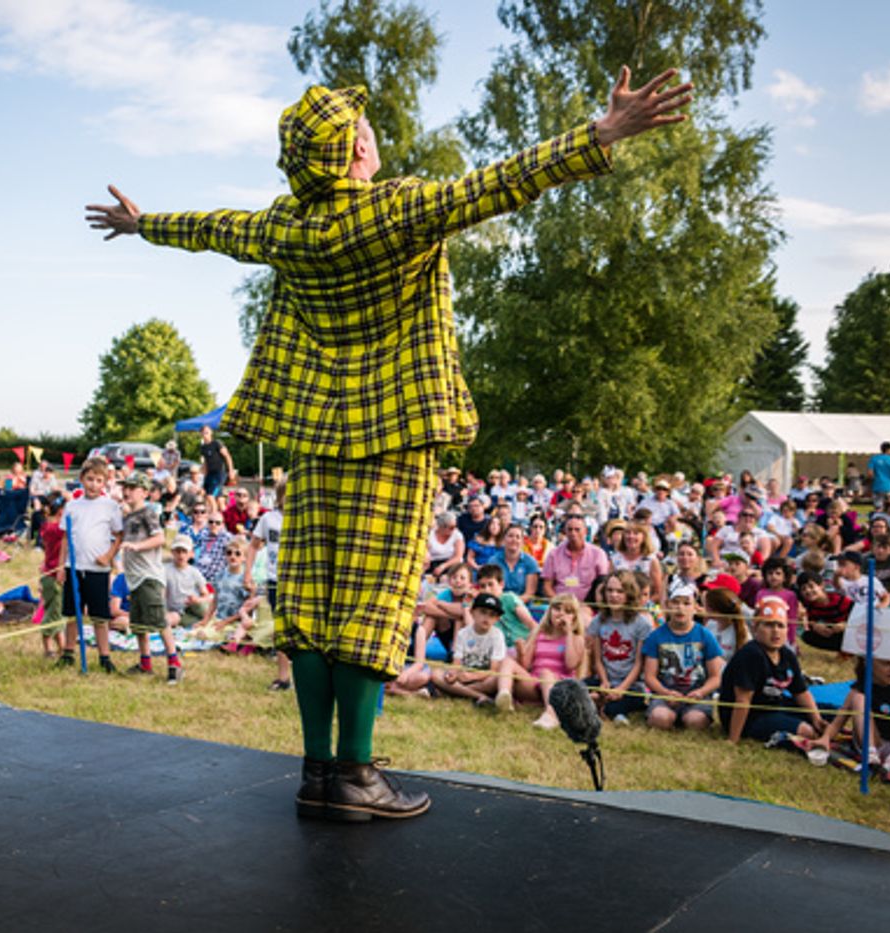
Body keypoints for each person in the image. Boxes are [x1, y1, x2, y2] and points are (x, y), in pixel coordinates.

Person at [87, 67, 693, 820]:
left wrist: (146, 225)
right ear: (354, 154)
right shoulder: (397, 210)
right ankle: (359, 775)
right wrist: (601, 135)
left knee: (309, 604)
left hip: (312, 442)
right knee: (370, 606)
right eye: (365, 139)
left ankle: (317, 771)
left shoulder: (288, 226)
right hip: (395, 439)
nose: (374, 146)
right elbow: (500, 184)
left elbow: (217, 228)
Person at [719, 596, 826, 744]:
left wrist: (817, 719)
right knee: (806, 731)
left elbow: (801, 692)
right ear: (756, 628)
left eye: (780, 626)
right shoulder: (751, 654)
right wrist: (733, 739)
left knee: (831, 714)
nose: (775, 631)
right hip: (752, 717)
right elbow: (742, 700)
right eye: (769, 625)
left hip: (776, 706)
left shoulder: (787, 654)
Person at [59, 457, 123, 673]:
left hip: (98, 569)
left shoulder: (110, 506)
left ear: (105, 482)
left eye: (98, 480)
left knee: (100, 615)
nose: (93, 484)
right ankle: (68, 652)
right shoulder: (72, 506)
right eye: (89, 479)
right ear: (81, 480)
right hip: (74, 567)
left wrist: (109, 555)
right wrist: (61, 567)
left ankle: (104, 656)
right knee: (73, 612)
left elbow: (119, 535)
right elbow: (65, 539)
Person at [118, 473, 183, 683]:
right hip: (133, 578)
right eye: (125, 487)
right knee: (138, 623)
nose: (126, 491)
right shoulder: (127, 516)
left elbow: (160, 538)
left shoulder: (148, 513)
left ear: (145, 493)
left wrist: (137, 546)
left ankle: (174, 663)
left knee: (159, 620)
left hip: (149, 576)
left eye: (132, 487)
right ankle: (145, 662)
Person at [642, 581, 725, 731]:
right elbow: (650, 677)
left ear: (695, 608)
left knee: (695, 722)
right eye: (675, 603)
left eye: (687, 603)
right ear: (667, 606)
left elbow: (715, 677)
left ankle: (688, 717)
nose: (680, 608)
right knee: (661, 719)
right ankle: (667, 716)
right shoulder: (656, 636)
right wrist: (666, 693)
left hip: (696, 695)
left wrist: (701, 692)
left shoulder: (705, 635)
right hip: (665, 694)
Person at [497, 593, 587, 729]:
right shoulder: (539, 635)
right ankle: (504, 696)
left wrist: (568, 632)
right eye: (557, 609)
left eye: (568, 611)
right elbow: (526, 665)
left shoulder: (576, 638)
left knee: (546, 673)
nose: (561, 614)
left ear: (574, 617)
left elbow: (571, 665)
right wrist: (521, 652)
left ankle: (552, 714)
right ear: (550, 611)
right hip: (535, 684)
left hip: (559, 687)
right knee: (508, 661)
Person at [586, 571, 654, 723]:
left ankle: (603, 704)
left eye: (619, 591)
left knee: (615, 708)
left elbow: (639, 664)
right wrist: (604, 682)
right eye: (610, 590)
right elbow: (598, 660)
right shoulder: (598, 621)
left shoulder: (641, 624)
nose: (613, 595)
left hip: (631, 685)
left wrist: (621, 688)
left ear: (629, 594)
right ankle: (599, 699)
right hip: (605, 679)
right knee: (575, 688)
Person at [427, 592, 508, 707]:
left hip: (484, 678)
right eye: (483, 612)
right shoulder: (463, 634)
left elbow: (494, 669)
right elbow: (457, 663)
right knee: (436, 674)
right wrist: (453, 674)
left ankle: (452, 691)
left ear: (497, 619)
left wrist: (473, 676)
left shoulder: (497, 635)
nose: (487, 618)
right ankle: (479, 696)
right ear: (472, 612)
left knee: (496, 680)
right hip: (463, 677)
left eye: (492, 615)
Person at [249, 484, 293, 691]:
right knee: (280, 628)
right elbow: (253, 545)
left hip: (299, 580)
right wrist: (248, 572)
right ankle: (283, 677)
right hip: (276, 579)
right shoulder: (268, 519)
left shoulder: (304, 517)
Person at [541, 513, 609, 601]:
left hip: (587, 605)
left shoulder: (598, 554)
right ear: (565, 531)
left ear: (585, 532)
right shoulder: (554, 554)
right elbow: (547, 586)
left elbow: (602, 585)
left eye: (577, 530)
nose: (573, 533)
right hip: (559, 604)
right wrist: (559, 603)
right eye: (570, 529)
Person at [36, 494, 67, 658]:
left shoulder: (47, 526)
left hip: (49, 574)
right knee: (53, 614)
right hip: (54, 576)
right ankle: (49, 648)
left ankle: (61, 647)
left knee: (56, 612)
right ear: (62, 511)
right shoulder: (58, 529)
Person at [197, 425, 234, 499]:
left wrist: (231, 471)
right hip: (210, 474)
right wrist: (203, 474)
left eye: (207, 432)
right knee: (207, 494)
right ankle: (221, 509)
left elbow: (227, 456)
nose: (205, 434)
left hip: (219, 473)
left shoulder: (216, 443)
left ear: (211, 432)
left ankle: (213, 510)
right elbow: (206, 462)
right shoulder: (203, 447)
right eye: (203, 433)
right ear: (201, 434)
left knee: (211, 496)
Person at [868, 441, 890, 511]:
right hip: (888, 486)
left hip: (877, 486)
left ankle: (877, 519)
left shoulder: (874, 459)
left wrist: (875, 479)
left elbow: (870, 474)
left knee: (878, 507)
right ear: (887, 450)